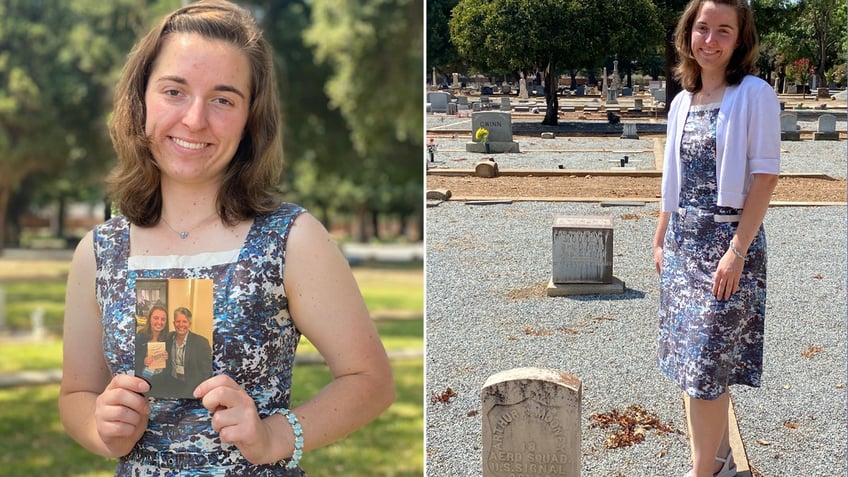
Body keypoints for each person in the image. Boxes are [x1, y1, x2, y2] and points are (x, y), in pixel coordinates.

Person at [58, 1, 395, 475]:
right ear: (141, 100)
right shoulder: (99, 251)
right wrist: (100, 428)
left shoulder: (292, 240)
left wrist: (276, 434)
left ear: (249, 119)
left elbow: (371, 381)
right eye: (174, 90)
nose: (195, 119)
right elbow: (76, 394)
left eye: (223, 99)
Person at [652, 0, 780, 476]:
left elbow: (765, 178)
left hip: (727, 246)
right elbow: (673, 179)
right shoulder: (683, 100)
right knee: (692, 364)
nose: (710, 39)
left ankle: (701, 471)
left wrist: (737, 253)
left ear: (739, 39)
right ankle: (720, 460)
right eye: (702, 28)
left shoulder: (754, 94)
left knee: (707, 368)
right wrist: (660, 236)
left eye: (723, 30)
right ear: (688, 34)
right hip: (683, 246)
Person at [164, 307, 213, 399]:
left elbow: (207, 371)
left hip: (192, 388)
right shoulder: (168, 338)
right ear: (174, 323)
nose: (181, 324)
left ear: (189, 324)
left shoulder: (201, 342)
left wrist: (201, 391)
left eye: (184, 321)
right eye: (178, 321)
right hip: (172, 384)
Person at [134, 303, 171, 391]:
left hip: (161, 381)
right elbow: (132, 361)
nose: (159, 322)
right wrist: (143, 360)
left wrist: (168, 357)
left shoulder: (168, 339)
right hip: (143, 380)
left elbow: (171, 365)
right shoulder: (139, 337)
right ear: (150, 319)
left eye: (163, 319)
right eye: (156, 318)